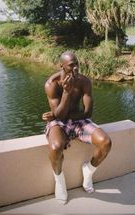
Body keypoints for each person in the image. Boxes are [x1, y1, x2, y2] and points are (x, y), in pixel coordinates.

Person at [42, 51, 112, 204]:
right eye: (71, 65)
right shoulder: (52, 84)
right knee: (55, 147)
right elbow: (59, 117)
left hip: (78, 119)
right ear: (62, 66)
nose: (76, 68)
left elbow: (88, 112)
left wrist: (59, 115)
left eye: (77, 64)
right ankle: (59, 181)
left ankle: (89, 171)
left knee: (106, 142)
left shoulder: (84, 82)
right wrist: (66, 92)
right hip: (58, 122)